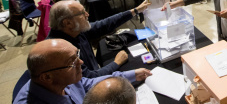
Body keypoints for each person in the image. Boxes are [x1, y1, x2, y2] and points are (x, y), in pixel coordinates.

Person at [13, 39, 151, 104]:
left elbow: (88, 83)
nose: (81, 62)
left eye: (77, 56)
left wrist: (131, 75)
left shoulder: (63, 79)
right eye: (72, 62)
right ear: (47, 77)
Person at [47, 0, 150, 78]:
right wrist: (116, 63)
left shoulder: (75, 29)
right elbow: (90, 77)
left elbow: (105, 24)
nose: (87, 15)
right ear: (67, 23)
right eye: (82, 13)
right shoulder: (61, 52)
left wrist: (135, 10)